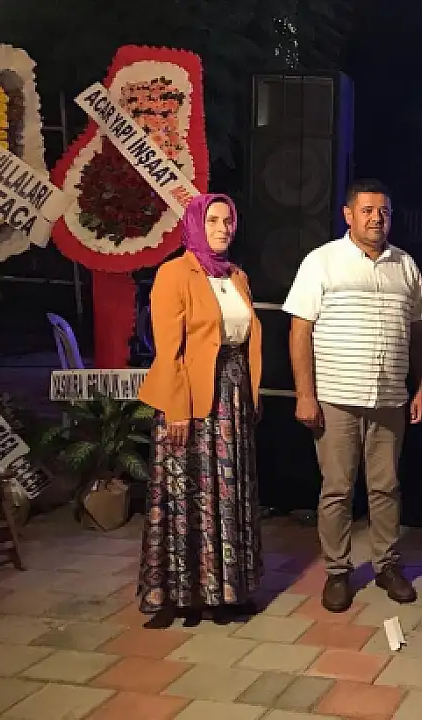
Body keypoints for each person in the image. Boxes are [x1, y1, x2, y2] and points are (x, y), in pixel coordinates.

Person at [284, 179, 422, 611]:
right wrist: (304, 394)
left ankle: (386, 565)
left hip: (389, 398)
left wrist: (421, 387)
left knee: (387, 487)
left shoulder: (405, 265)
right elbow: (299, 330)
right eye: (367, 210)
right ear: (348, 215)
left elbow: (419, 334)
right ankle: (337, 571)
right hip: (335, 397)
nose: (376, 218)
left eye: (383, 211)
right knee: (337, 489)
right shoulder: (322, 261)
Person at [138, 193, 264, 628]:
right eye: (213, 220)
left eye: (228, 221)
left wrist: (251, 396)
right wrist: (177, 408)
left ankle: (227, 591)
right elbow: (168, 349)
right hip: (191, 398)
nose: (222, 228)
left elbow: (245, 342)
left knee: (228, 493)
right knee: (185, 493)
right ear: (195, 224)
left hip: (233, 397)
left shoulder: (237, 277)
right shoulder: (174, 273)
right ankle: (182, 594)